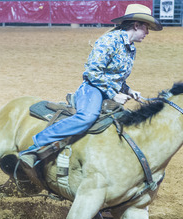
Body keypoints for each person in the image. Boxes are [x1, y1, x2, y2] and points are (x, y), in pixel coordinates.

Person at [20, 4, 163, 168]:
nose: (148, 33)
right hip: (91, 88)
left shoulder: (131, 48)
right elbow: (92, 72)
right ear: (136, 25)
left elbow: (116, 77)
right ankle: (35, 146)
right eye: (146, 28)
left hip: (107, 90)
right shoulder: (109, 41)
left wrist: (129, 90)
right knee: (87, 117)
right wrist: (113, 94)